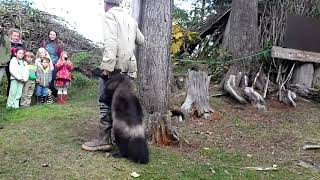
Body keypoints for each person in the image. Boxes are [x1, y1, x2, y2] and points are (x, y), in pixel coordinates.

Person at [82, 0, 145, 151]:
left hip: (115, 67)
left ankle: (104, 140)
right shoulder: (130, 19)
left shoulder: (109, 16)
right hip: (129, 68)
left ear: (106, 3)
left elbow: (110, 43)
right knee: (122, 104)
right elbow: (141, 40)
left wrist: (107, 68)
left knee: (105, 102)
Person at [40, 30, 63, 98]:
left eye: (54, 35)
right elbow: (40, 53)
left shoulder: (58, 45)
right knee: (45, 80)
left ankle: (55, 94)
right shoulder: (44, 44)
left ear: (56, 36)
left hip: (54, 65)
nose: (52, 36)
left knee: (51, 80)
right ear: (48, 35)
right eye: (51, 34)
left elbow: (61, 55)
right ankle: (47, 96)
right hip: (45, 64)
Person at [5, 28, 24, 96]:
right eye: (14, 36)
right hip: (8, 64)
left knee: (17, 80)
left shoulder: (21, 45)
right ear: (11, 36)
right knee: (11, 80)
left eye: (17, 36)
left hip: (18, 65)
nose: (16, 37)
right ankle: (9, 97)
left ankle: (16, 97)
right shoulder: (7, 43)